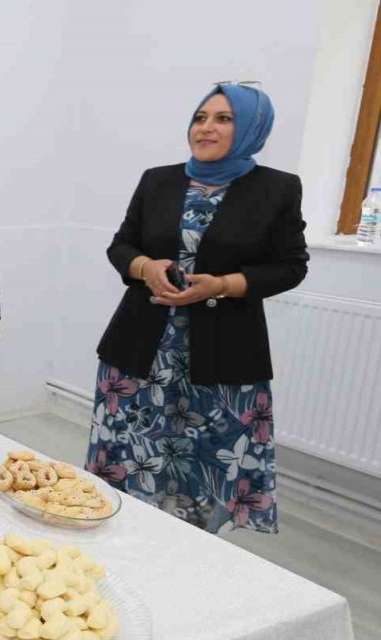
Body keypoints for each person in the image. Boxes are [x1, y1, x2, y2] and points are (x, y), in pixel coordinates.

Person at [87, 82, 307, 534]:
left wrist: (224, 284)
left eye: (223, 119)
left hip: (223, 360)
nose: (206, 128)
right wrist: (144, 266)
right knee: (131, 462)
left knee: (207, 471)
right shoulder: (158, 179)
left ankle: (192, 560)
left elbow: (291, 267)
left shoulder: (277, 189)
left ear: (250, 128)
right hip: (142, 353)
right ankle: (121, 543)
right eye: (200, 117)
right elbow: (121, 246)